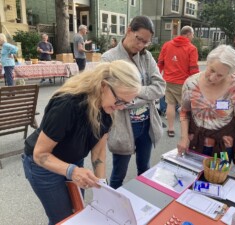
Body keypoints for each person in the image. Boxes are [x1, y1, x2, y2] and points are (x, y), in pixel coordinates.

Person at [22, 60, 141, 225]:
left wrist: (102, 186)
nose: (121, 108)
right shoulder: (67, 105)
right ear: (103, 86)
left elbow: (98, 152)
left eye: (127, 103)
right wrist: (72, 171)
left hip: (73, 160)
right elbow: (40, 155)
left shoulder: (108, 110)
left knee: (78, 212)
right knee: (63, 219)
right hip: (42, 165)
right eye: (120, 101)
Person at [101, 16, 166, 189]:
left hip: (146, 123)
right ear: (129, 30)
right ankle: (113, 204)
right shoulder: (109, 59)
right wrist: (146, 94)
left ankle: (143, 204)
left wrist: (134, 92)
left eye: (146, 42)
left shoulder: (146, 56)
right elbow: (112, 99)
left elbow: (160, 88)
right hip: (123, 125)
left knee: (145, 169)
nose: (141, 46)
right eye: (139, 39)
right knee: (118, 173)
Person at [177, 45, 235, 168]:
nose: (213, 77)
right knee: (193, 182)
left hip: (223, 146)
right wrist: (183, 138)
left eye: (220, 75)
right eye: (212, 70)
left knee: (216, 183)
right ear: (207, 63)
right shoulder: (191, 83)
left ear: (229, 74)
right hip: (194, 142)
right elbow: (184, 113)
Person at [158, 26, 199, 137]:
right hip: (183, 83)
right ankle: (187, 134)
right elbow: (193, 69)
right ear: (188, 34)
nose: (193, 37)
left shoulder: (167, 45)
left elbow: (160, 62)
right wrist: (197, 84)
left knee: (170, 105)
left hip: (168, 80)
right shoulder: (191, 48)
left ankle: (170, 129)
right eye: (192, 35)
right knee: (187, 109)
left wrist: (158, 76)